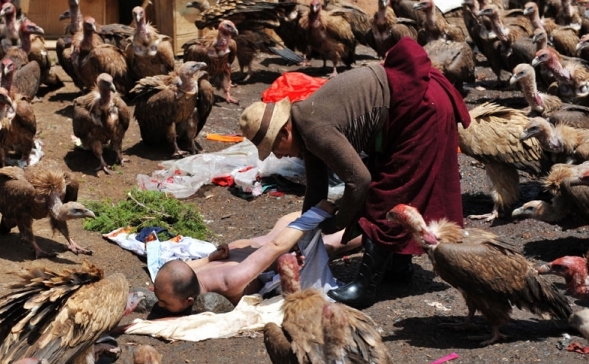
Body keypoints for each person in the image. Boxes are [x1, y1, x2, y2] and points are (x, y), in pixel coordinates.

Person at [238, 37, 471, 309]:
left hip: (422, 108)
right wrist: (306, 235)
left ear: (284, 132)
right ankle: (398, 265)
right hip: (413, 107)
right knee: (392, 183)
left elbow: (359, 181)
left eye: (274, 148)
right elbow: (316, 188)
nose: (278, 156)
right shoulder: (304, 124)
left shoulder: (314, 129)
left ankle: (365, 288)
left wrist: (337, 223)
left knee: (384, 196)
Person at [153, 202, 361, 314]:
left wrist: (316, 213)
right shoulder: (186, 277)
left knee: (325, 220)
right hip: (271, 249)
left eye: (164, 302)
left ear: (189, 301)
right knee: (330, 243)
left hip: (276, 246)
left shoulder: (228, 280)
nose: (159, 304)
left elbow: (275, 246)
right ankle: (365, 225)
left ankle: (364, 219)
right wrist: (210, 259)